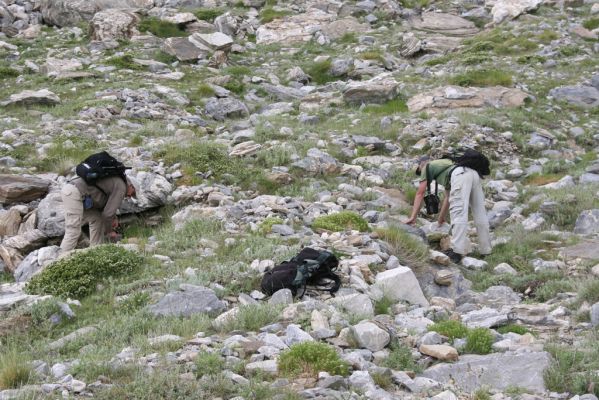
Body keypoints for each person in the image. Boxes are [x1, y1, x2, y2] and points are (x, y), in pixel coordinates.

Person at [406, 155, 492, 263]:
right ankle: (486, 250)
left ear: (420, 164)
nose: (421, 174)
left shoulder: (427, 166)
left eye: (419, 171)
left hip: (460, 175)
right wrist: (440, 219)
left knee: (458, 212)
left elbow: (420, 192)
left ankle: (457, 251)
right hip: (474, 174)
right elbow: (448, 198)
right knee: (480, 212)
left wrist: (413, 217)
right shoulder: (445, 164)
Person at [60, 174, 139, 252]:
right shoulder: (121, 187)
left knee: (97, 218)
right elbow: (108, 215)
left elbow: (106, 204)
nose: (129, 196)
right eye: (132, 193)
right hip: (74, 192)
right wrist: (110, 231)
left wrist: (114, 218)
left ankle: (95, 251)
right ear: (131, 186)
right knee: (73, 230)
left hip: (75, 191)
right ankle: (58, 261)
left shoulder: (117, 181)